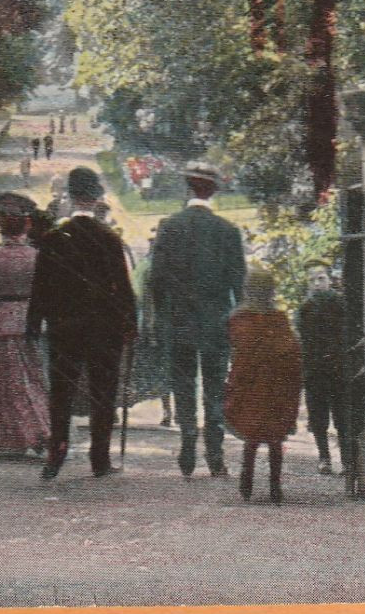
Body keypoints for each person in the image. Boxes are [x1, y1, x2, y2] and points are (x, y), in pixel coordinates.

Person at [26, 166, 137, 478]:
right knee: (103, 392)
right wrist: (131, 322)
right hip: (104, 328)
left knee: (61, 392)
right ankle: (99, 458)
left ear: (71, 197)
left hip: (64, 326)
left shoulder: (53, 239)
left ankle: (56, 454)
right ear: (96, 197)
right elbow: (124, 287)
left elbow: (41, 286)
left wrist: (34, 323)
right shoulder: (110, 239)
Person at [150, 161, 247, 477]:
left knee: (183, 382)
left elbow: (157, 278)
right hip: (216, 322)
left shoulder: (169, 226)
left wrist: (159, 316)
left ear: (188, 188)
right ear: (214, 191)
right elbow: (239, 283)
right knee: (215, 386)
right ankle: (215, 453)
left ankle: (188, 437)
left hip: (179, 320)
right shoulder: (228, 232)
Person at [0, 192, 50, 454]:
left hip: (2, 320)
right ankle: (41, 427)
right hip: (32, 319)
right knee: (34, 378)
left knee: (7, 383)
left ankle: (15, 437)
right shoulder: (37, 256)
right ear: (26, 224)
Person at [225, 266, 304, 503]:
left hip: (250, 384)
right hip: (274, 385)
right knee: (274, 438)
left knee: (251, 436)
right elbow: (291, 351)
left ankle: (246, 482)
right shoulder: (278, 319)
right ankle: (274, 486)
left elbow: (237, 350)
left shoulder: (238, 318)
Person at [296, 260, 351, 474]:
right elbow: (302, 340)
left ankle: (347, 460)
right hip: (315, 370)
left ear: (330, 280)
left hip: (338, 368)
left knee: (342, 417)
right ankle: (324, 457)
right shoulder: (305, 309)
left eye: (321, 278)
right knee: (318, 417)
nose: (317, 283)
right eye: (312, 280)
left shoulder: (341, 304)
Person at [128, 232, 175, 428]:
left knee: (143, 366)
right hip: (168, 324)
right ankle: (170, 411)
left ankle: (167, 410)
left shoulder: (146, 267)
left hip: (150, 323)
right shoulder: (174, 267)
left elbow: (137, 295)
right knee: (168, 367)